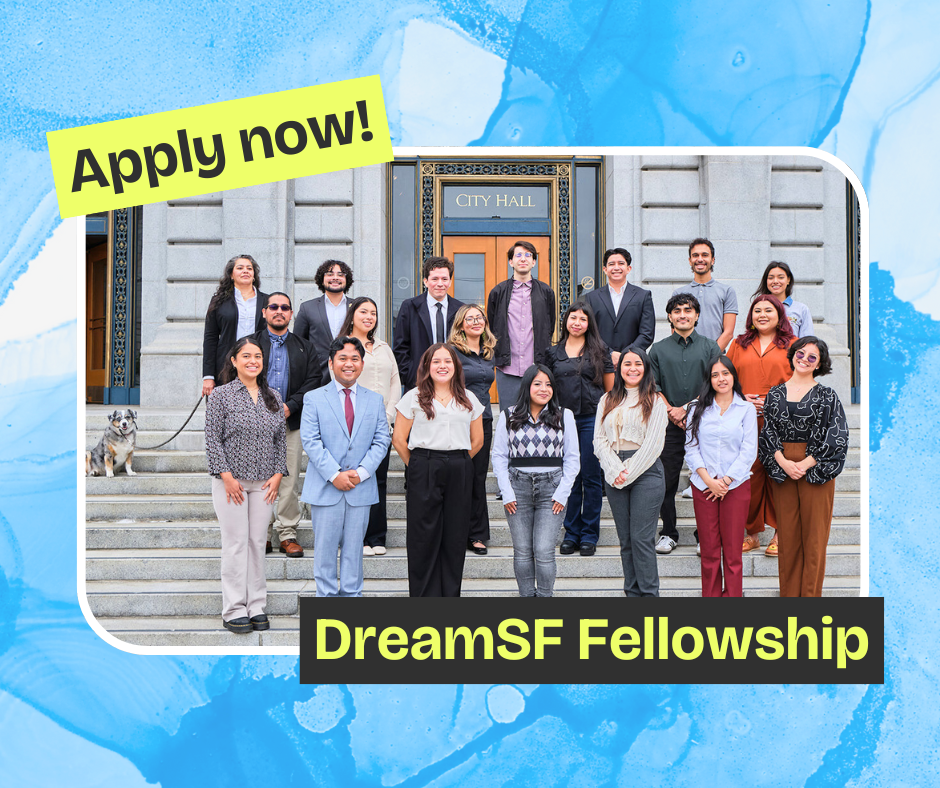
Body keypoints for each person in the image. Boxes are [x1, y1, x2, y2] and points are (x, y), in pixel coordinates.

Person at [204, 337, 286, 633]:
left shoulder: (273, 396)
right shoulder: (221, 395)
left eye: (258, 356)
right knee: (236, 543)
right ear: (234, 361)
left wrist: (278, 474)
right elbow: (212, 438)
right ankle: (234, 608)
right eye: (247, 356)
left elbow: (280, 440)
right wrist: (226, 476)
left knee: (256, 543)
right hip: (232, 484)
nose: (253, 361)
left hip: (264, 483)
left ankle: (256, 606)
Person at [299, 337, 392, 597]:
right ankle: (326, 605)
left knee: (354, 554)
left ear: (362, 364)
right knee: (325, 554)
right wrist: (334, 475)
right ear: (331, 363)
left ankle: (352, 602)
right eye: (342, 358)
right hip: (325, 488)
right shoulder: (314, 398)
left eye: (354, 359)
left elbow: (382, 440)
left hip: (360, 489)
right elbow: (311, 440)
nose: (348, 364)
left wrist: (361, 473)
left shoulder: (375, 400)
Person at [759, 337, 848, 597]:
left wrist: (806, 463)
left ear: (819, 364)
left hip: (817, 466)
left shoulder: (827, 395)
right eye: (801, 353)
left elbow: (837, 435)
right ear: (793, 355)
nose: (805, 359)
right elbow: (768, 432)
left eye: (812, 357)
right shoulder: (775, 393)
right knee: (787, 538)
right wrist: (784, 462)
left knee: (814, 539)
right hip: (782, 466)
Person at [393, 344, 484, 597]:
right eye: (436, 361)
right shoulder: (413, 397)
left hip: (459, 466)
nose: (442, 366)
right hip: (424, 465)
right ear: (427, 366)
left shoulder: (468, 397)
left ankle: (449, 598)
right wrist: (420, 465)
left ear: (456, 366)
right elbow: (399, 439)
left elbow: (477, 441)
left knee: (455, 536)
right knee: (422, 536)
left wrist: (457, 463)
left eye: (447, 361)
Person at [492, 365, 579, 597]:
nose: (544, 389)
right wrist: (506, 491)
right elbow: (499, 456)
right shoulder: (508, 415)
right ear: (526, 386)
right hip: (517, 488)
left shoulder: (564, 415)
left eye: (548, 384)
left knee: (543, 550)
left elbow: (572, 458)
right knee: (522, 551)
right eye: (538, 384)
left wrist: (562, 492)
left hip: (552, 489)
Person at [250, 292, 323, 558]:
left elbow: (314, 380)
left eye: (284, 307)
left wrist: (290, 406)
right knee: (259, 479)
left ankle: (287, 533)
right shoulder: (250, 344)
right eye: (273, 306)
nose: (279, 311)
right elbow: (239, 376)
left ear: (291, 314)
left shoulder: (305, 347)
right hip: (255, 423)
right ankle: (262, 532)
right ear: (264, 312)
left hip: (291, 422)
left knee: (289, 480)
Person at [647, 293, 720, 554]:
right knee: (666, 481)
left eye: (688, 310)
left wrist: (686, 410)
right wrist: (672, 412)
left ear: (696, 315)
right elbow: (652, 386)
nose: (682, 315)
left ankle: (705, 535)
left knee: (704, 480)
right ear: (669, 316)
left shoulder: (711, 348)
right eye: (677, 311)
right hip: (668, 425)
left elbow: (716, 383)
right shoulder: (658, 349)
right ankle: (668, 533)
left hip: (703, 423)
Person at [594, 347, 668, 597]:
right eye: (627, 364)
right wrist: (613, 468)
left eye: (638, 364)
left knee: (641, 539)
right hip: (614, 471)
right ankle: (632, 595)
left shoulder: (655, 401)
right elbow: (599, 440)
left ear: (645, 368)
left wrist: (628, 471)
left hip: (646, 472)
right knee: (626, 540)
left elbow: (654, 444)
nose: (633, 368)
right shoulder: (607, 399)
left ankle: (649, 597)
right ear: (619, 368)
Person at [543, 300, 615, 556]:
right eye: (573, 317)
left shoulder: (600, 350)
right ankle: (571, 533)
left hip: (591, 420)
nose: (577, 323)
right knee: (569, 477)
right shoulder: (552, 353)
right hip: (562, 422)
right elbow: (545, 389)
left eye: (583, 319)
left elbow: (610, 390)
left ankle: (589, 534)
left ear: (589, 323)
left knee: (591, 478)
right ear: (566, 321)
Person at [726, 294, 795, 557]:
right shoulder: (738, 344)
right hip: (745, 419)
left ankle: (780, 533)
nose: (762, 315)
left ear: (779, 315)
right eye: (757, 310)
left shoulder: (793, 344)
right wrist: (742, 398)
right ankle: (752, 533)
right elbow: (725, 377)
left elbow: (802, 379)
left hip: (782, 419)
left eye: (768, 310)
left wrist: (775, 401)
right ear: (751, 316)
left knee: (779, 473)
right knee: (749, 475)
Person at [684, 356, 758, 597]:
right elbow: (691, 448)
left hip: (735, 486)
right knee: (709, 550)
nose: (721, 379)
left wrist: (725, 481)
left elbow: (749, 450)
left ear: (733, 376)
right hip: (703, 486)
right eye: (715, 375)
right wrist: (709, 481)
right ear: (709, 379)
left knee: (733, 551)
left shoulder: (746, 409)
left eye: (725, 373)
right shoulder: (696, 408)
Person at [337, 297, 401, 556]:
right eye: (363, 311)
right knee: (354, 479)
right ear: (352, 315)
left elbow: (395, 382)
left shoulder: (384, 347)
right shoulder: (343, 346)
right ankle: (357, 537)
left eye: (373, 313)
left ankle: (377, 536)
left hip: (382, 425)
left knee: (379, 480)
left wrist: (388, 414)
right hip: (352, 425)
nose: (369, 317)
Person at [448, 304, 497, 556]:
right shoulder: (451, 352)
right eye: (470, 318)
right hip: (458, 421)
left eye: (479, 318)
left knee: (478, 477)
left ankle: (477, 534)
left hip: (483, 420)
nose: (476, 322)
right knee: (457, 477)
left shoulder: (489, 353)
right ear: (460, 325)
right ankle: (454, 532)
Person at [487, 240, 556, 408]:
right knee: (509, 415)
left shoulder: (546, 292)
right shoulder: (498, 292)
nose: (523, 258)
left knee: (538, 415)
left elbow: (549, 326)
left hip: (537, 367)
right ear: (511, 262)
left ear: (534, 262)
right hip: (507, 368)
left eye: (528, 255)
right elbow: (492, 326)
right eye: (518, 255)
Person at [393, 257, 466, 389]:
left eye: (444, 279)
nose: (440, 284)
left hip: (452, 381)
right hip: (418, 380)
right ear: (425, 281)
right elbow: (400, 347)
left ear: (450, 282)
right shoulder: (409, 307)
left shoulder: (460, 309)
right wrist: (409, 375)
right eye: (435, 279)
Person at [202, 254, 268, 397]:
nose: (245, 271)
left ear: (254, 275)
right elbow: (210, 338)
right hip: (226, 365)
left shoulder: (267, 301)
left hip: (257, 365)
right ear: (231, 275)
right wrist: (208, 376)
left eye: (249, 268)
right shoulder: (219, 301)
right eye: (240, 268)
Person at [586, 247, 655, 362]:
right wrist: (610, 353)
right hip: (600, 361)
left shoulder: (642, 296)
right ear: (605, 269)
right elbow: (590, 332)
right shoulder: (592, 298)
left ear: (628, 268)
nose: (616, 267)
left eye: (621, 263)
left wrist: (626, 355)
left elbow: (647, 333)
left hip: (632, 362)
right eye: (611, 264)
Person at [672, 238, 738, 352]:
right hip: (686, 356)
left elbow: (728, 333)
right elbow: (675, 330)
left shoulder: (727, 291)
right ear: (690, 260)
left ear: (712, 260)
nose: (700, 259)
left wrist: (710, 355)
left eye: (705, 255)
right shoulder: (678, 293)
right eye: (695, 255)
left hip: (715, 357)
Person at [294, 259, 354, 380]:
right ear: (322, 279)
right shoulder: (307, 308)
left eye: (340, 274)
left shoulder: (357, 307)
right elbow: (298, 343)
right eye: (330, 274)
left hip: (350, 371)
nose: (335, 278)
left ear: (347, 279)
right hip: (317, 374)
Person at [753, 260, 815, 338]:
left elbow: (807, 340)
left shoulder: (801, 309)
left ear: (788, 280)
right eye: (771, 278)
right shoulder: (758, 308)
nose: (775, 281)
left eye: (781, 277)